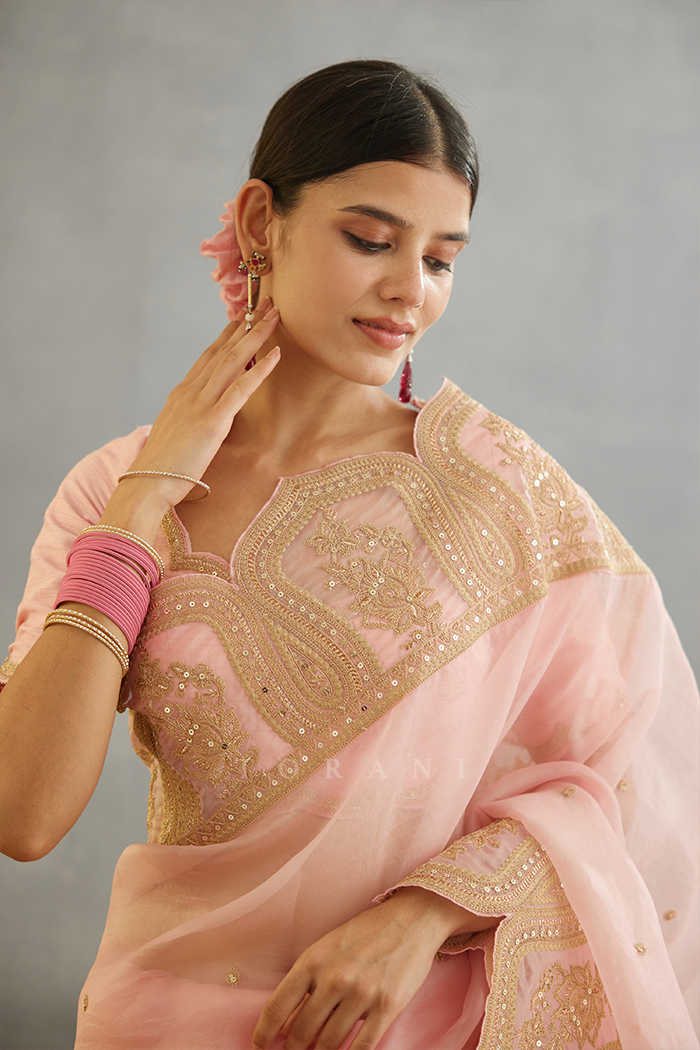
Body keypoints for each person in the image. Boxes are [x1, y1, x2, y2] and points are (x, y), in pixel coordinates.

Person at [0, 59, 697, 1050]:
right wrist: (148, 497)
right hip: (159, 1015)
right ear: (259, 223)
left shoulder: (498, 492)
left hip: (419, 1021)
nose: (409, 289)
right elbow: (23, 814)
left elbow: (633, 781)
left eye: (442, 259)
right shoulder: (110, 491)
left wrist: (424, 912)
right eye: (370, 240)